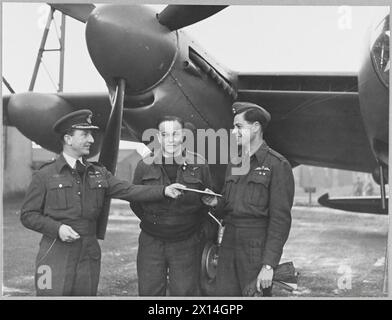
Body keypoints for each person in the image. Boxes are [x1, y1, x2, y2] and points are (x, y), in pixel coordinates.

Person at [20, 109, 184, 296]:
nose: (91, 140)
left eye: (91, 134)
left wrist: (164, 190)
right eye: (85, 134)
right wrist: (57, 229)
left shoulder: (98, 172)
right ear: (68, 139)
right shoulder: (44, 175)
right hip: (54, 251)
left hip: (88, 251)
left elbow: (129, 190)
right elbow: (28, 215)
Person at [202, 101, 294, 297]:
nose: (234, 132)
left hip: (255, 249)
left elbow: (280, 220)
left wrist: (269, 265)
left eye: (238, 127)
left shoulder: (277, 165)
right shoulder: (235, 162)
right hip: (228, 245)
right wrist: (215, 203)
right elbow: (228, 206)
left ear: (255, 127)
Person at [130, 115, 214, 296]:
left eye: (175, 134)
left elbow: (206, 201)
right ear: (159, 137)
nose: (171, 140)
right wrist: (156, 223)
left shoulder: (199, 164)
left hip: (186, 243)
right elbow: (136, 201)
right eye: (165, 135)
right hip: (151, 241)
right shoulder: (145, 165)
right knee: (149, 292)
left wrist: (187, 225)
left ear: (183, 135)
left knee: (184, 293)